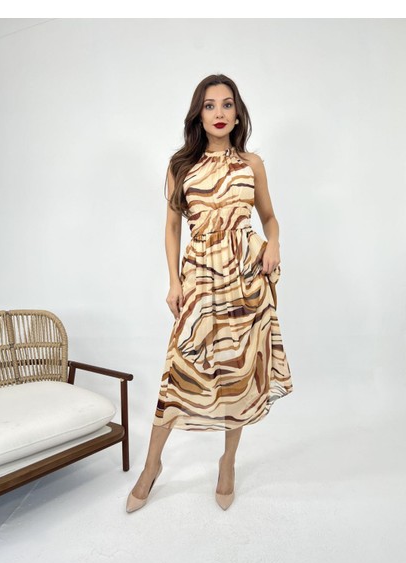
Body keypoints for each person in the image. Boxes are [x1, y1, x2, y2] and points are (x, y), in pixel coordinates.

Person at [126, 73, 293, 513]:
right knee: (178, 372)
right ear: (198, 115)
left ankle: (227, 462)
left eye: (227, 104)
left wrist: (273, 244)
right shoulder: (181, 165)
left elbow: (269, 217)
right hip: (199, 277)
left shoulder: (251, 164)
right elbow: (172, 228)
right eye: (209, 105)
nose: (219, 113)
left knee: (238, 372)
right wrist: (174, 282)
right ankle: (152, 465)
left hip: (244, 280)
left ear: (238, 113)